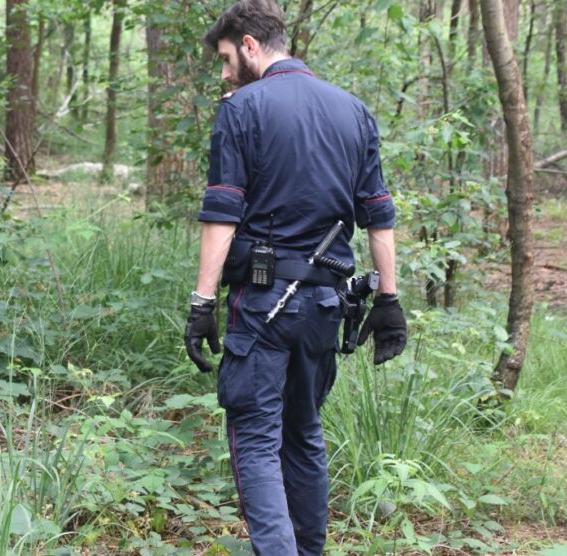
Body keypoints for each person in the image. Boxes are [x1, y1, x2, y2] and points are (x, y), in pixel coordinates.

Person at [183, 1, 406, 552]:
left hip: (261, 305)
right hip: (325, 307)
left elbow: (221, 214)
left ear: (251, 44)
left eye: (227, 58)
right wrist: (390, 300)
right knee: (303, 434)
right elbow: (379, 215)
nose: (225, 72)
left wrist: (201, 303)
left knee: (256, 442)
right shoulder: (353, 110)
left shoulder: (242, 109)